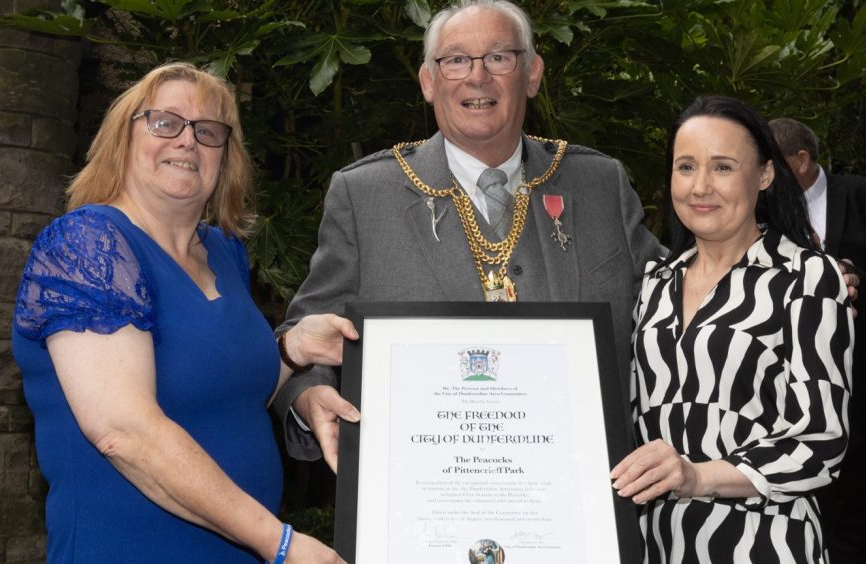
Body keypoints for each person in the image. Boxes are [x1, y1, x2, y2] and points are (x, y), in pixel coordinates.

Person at [271, 0, 665, 468]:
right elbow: (307, 334)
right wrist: (308, 393)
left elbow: (675, 321)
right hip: (424, 502)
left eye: (499, 57)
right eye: (456, 60)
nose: (478, 77)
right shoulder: (364, 195)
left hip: (584, 496)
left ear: (533, 74)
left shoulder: (599, 184)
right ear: (428, 82)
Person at [11, 62, 354, 563]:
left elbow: (221, 391)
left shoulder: (223, 252)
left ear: (225, 158)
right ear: (121, 140)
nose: (188, 141)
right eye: (164, 122)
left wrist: (293, 349)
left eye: (208, 131)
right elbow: (124, 431)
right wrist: (279, 543)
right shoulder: (87, 245)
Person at [610, 95, 854, 562]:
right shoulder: (654, 284)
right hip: (659, 544)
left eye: (723, 167)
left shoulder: (808, 277)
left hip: (766, 543)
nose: (700, 186)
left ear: (764, 174)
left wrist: (697, 475)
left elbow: (821, 441)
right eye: (685, 167)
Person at [770, 117, 866, 564]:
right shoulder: (759, 209)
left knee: (851, 501)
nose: (763, 175)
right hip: (780, 382)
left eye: (773, 164)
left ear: (801, 160)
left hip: (859, 380)